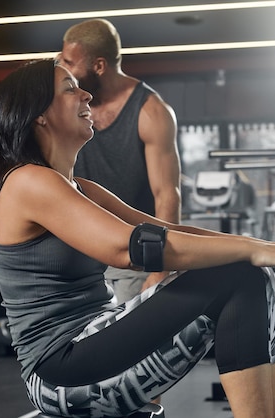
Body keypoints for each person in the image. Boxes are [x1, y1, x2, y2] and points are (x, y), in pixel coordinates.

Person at [0, 58, 275, 418]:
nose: (86, 94)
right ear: (39, 116)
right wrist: (254, 250)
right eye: (69, 89)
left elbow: (167, 232)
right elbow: (131, 247)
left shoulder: (81, 188)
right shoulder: (27, 181)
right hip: (58, 373)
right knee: (238, 274)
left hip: (92, 342)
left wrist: (262, 249)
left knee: (247, 276)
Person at [58, 18, 182, 306]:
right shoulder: (71, 102)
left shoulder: (151, 112)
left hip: (129, 258)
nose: (63, 67)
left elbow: (166, 194)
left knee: (129, 347)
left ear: (99, 66)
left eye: (69, 61)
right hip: (77, 255)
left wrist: (160, 265)